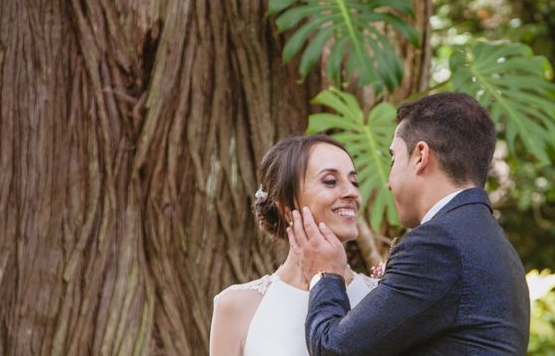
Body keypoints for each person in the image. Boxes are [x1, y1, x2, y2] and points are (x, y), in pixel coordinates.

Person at [287, 92, 531, 355]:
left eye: (393, 159)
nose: (388, 183)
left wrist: (325, 274)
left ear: (420, 156)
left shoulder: (439, 244)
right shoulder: (497, 244)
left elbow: (332, 348)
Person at [209, 135, 379, 356]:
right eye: (330, 181)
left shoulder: (381, 297)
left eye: (354, 181)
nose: (352, 193)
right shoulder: (236, 306)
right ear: (287, 207)